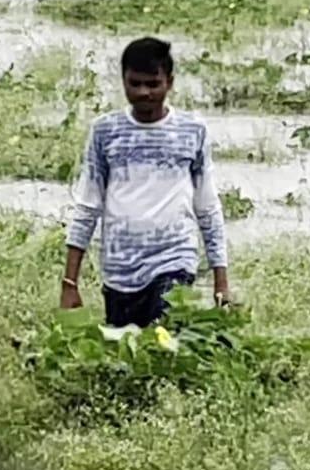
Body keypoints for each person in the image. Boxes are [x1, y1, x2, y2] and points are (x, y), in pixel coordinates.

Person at [60, 37, 230, 328]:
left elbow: (207, 207)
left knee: (164, 344)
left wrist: (221, 280)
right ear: (123, 81)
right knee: (126, 355)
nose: (144, 93)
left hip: (174, 259)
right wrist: (69, 281)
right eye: (135, 84)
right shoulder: (105, 131)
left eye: (153, 84)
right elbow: (88, 206)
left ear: (169, 82)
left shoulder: (192, 131)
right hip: (119, 269)